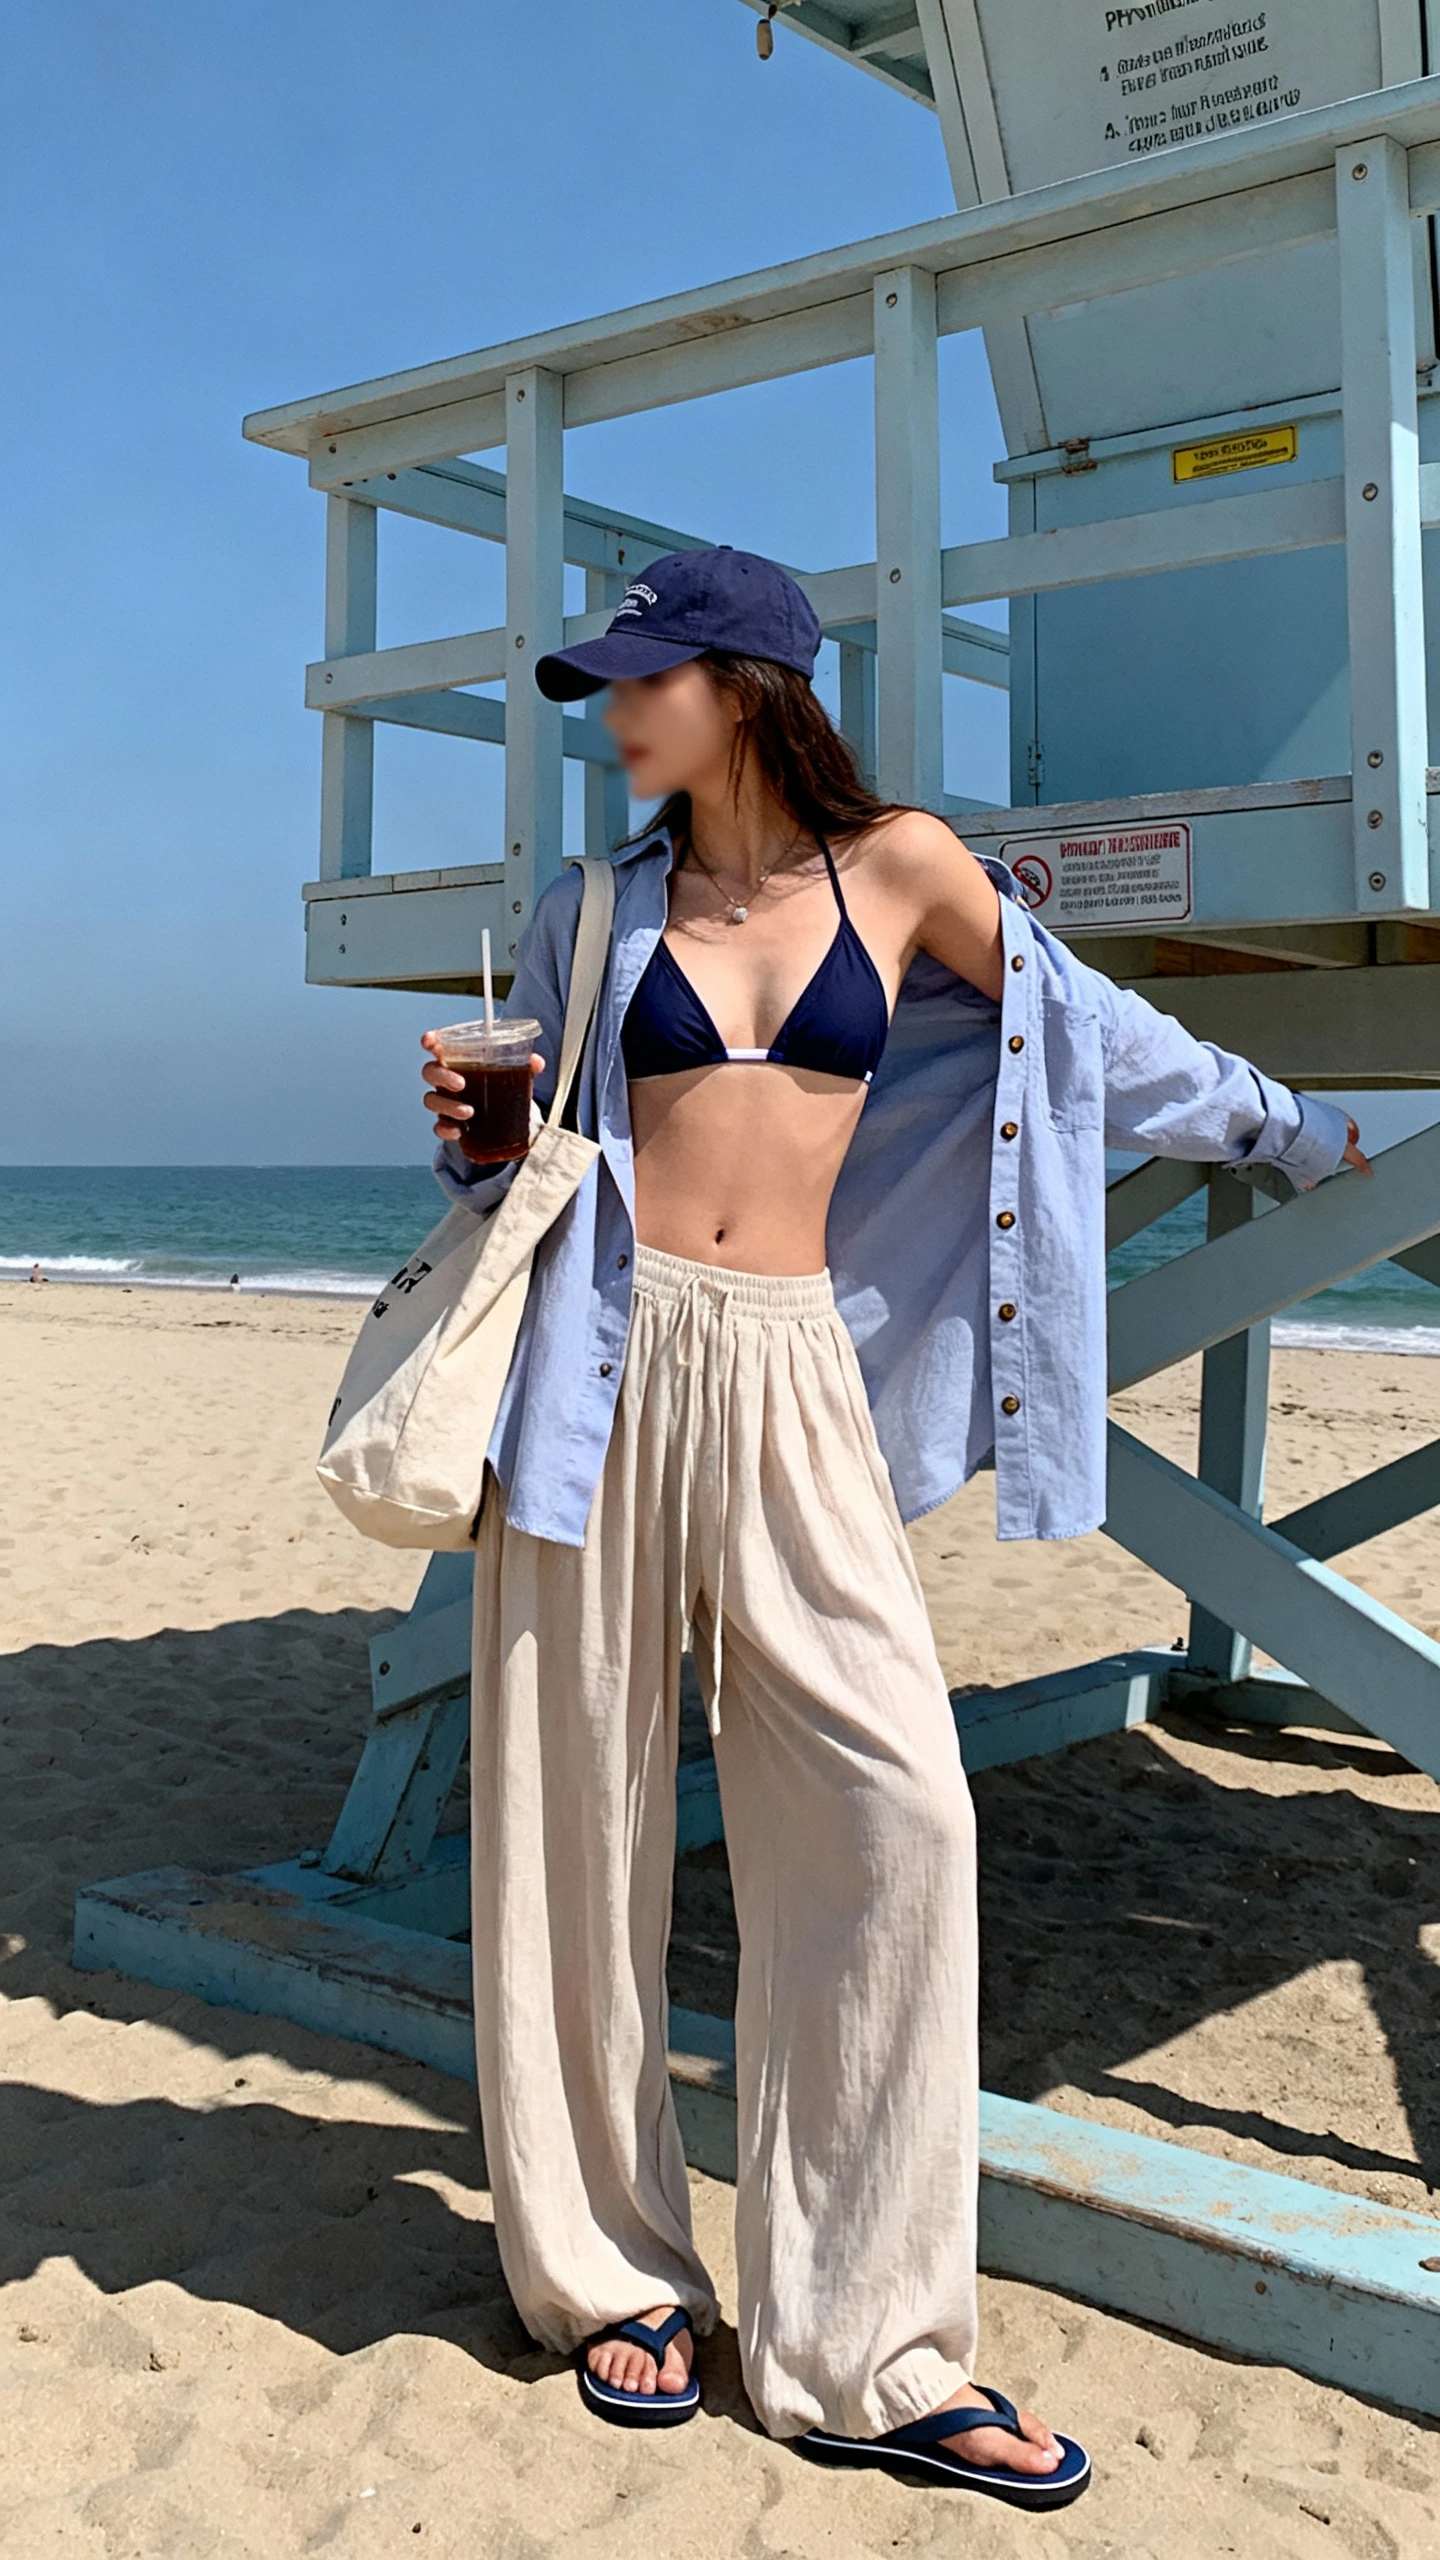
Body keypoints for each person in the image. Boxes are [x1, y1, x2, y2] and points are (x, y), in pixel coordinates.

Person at [421, 548, 1366, 2510]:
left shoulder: (909, 869)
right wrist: (477, 1136)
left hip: (792, 1374)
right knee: (569, 1831)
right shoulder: (589, 911)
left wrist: (1284, 1116)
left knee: (897, 1810)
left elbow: (1091, 1041)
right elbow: (532, 1159)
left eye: (645, 681)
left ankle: (869, 2341)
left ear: (749, 686)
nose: (615, 716)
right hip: (595, 1373)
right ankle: (614, 2270)